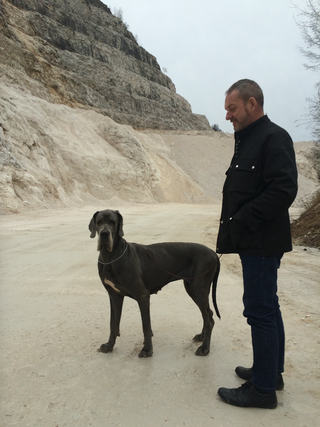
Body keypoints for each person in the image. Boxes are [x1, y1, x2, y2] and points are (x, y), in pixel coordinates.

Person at [216, 79, 298, 409]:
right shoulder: (249, 139)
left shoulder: (273, 137)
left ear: (252, 104)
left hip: (261, 241)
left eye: (232, 109)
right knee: (267, 307)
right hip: (255, 240)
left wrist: (244, 218)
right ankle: (271, 372)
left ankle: (263, 390)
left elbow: (283, 189)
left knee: (259, 310)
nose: (228, 117)